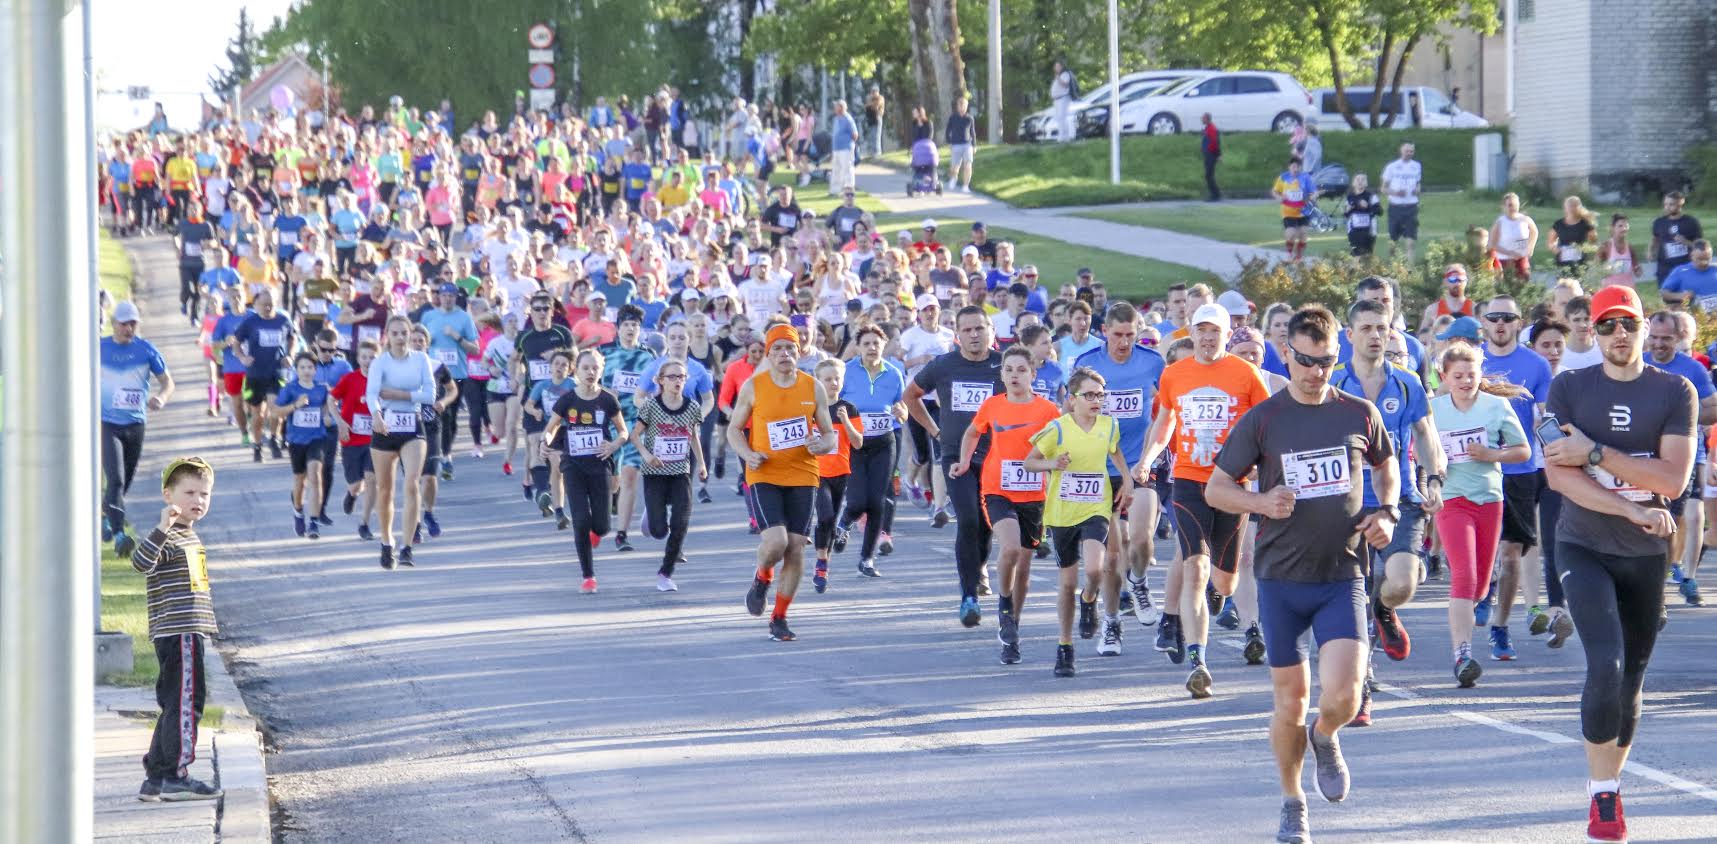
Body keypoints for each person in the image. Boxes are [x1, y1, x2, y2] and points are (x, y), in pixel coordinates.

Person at [1204, 306, 1399, 844]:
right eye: (1308, 361)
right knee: (1288, 701)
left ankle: (1326, 733)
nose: (1317, 372)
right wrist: (1261, 500)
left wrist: (1387, 512)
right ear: (1287, 354)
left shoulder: (1358, 412)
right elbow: (1217, 488)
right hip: (1281, 580)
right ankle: (1292, 803)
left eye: (1328, 361)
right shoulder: (1265, 418)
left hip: (1342, 573)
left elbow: (1387, 464)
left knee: (1345, 695)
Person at [1539, 284, 1696, 844]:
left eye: (1627, 323)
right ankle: (1602, 794)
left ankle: (1612, 779)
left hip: (1646, 556)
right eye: (1607, 325)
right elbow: (1560, 476)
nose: (1619, 335)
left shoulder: (1675, 391)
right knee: (1603, 662)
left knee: (1630, 675)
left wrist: (1598, 454)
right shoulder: (1567, 388)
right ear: (1591, 331)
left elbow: (1672, 480)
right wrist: (1631, 505)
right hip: (1581, 544)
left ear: (1643, 325)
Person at [1138, 302, 1270, 697]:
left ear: (1227, 335)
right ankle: (1198, 659)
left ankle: (1218, 594)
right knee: (1195, 567)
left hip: (1232, 483)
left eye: (1216, 331)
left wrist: (1267, 466)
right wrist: (1147, 458)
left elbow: (1267, 423)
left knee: (1225, 582)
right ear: (1191, 334)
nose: (1209, 338)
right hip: (1189, 481)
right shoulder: (1175, 374)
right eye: (1202, 330)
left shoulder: (1245, 374)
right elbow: (1165, 423)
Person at [1332, 299, 1445, 721]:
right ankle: (1361, 687)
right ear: (1350, 335)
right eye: (1366, 328)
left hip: (1400, 500)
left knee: (1400, 583)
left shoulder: (1408, 382)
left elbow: (1428, 435)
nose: (1375, 335)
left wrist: (1435, 477)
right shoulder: (1336, 383)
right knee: (1350, 596)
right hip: (1347, 502)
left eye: (1382, 328)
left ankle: (1386, 610)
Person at [1429, 344, 1531, 687]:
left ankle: (1465, 635)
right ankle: (1463, 655)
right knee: (1465, 577)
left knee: (1480, 585)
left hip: (1489, 498)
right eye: (1457, 375)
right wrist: (1430, 470)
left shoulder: (1496, 406)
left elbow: (1523, 451)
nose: (1465, 381)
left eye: (1471, 375)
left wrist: (1491, 453)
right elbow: (1417, 452)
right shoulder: (1433, 409)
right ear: (1444, 377)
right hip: (1452, 499)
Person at [731, 323, 839, 641]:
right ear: (768, 353)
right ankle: (762, 576)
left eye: (790, 348)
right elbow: (734, 429)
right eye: (777, 349)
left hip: (803, 474)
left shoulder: (812, 387)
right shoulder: (755, 386)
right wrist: (747, 454)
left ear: (798, 352)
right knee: (776, 542)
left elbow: (829, 433)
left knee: (795, 548)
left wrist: (822, 444)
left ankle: (779, 618)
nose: (784, 354)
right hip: (764, 472)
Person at [954, 346, 1061, 664]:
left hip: (1034, 495)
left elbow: (1061, 446)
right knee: (1010, 547)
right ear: (1001, 375)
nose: (1015, 375)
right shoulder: (992, 405)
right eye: (1009, 370)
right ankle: (1003, 606)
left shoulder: (1048, 411)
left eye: (1021, 370)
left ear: (1033, 374)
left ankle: (1011, 628)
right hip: (997, 489)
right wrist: (963, 462)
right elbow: (972, 432)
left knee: (1024, 567)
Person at [1073, 302, 1168, 650]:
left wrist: (1155, 447)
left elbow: (1170, 407)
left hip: (1140, 463)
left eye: (1130, 335)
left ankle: (1139, 581)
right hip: (1101, 469)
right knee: (1113, 556)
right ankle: (1111, 624)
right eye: (1117, 335)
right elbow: (1071, 411)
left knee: (1141, 539)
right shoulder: (1089, 365)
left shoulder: (1152, 362)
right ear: (1105, 333)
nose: (1124, 342)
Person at [905, 305, 1005, 626]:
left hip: (993, 455)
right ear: (957, 334)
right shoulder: (944, 365)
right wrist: (935, 431)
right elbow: (911, 396)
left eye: (980, 328)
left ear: (991, 331)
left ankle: (978, 571)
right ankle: (968, 596)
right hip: (955, 456)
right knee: (969, 518)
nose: (975, 335)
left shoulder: (1002, 366)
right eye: (968, 330)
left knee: (987, 523)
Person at [132, 457, 223, 803]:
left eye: (204, 494)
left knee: (175, 703)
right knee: (187, 704)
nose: (198, 500)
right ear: (168, 494)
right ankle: (175, 773)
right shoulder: (168, 536)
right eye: (189, 493)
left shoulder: (189, 535)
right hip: (178, 633)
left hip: (189, 632)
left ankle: (157, 775)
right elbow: (141, 564)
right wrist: (160, 527)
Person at [1478, 294, 1553, 661]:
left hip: (1519, 470)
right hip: (1474, 470)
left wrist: (1563, 453)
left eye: (1508, 317)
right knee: (1480, 553)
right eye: (1494, 317)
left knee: (1511, 556)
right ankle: (1481, 589)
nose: (1501, 323)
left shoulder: (1537, 365)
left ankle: (1500, 626)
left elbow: (1546, 417)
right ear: (1484, 323)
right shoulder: (1471, 361)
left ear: (1519, 323)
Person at [1642, 310, 1717, 607]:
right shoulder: (1638, 365)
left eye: (1667, 339)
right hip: (1648, 451)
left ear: (1679, 338)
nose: (1660, 344)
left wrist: (1684, 415)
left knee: (1694, 514)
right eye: (1655, 338)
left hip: (1690, 450)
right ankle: (1658, 581)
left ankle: (1688, 576)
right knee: (1663, 519)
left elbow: (1713, 409)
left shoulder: (1693, 369)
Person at [541, 349, 627, 593]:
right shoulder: (567, 400)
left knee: (601, 526)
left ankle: (595, 533)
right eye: (585, 368)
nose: (591, 372)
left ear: (602, 371)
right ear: (575, 371)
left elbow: (623, 431)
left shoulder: (608, 400)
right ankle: (588, 577)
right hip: (573, 465)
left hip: (600, 464)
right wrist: (544, 443)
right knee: (580, 520)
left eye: (595, 368)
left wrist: (614, 444)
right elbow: (551, 428)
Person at [101, 301, 175, 557]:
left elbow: (167, 382)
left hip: (135, 424)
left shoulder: (146, 350)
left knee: (124, 483)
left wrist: (161, 398)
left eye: (133, 323)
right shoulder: (99, 348)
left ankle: (105, 514)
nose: (128, 328)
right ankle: (120, 535)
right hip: (107, 423)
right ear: (114, 324)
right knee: (117, 478)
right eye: (124, 323)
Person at [630, 357, 707, 591]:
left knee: (681, 521)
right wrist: (646, 454)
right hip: (655, 471)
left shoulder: (692, 407)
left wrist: (702, 465)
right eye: (672, 377)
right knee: (659, 529)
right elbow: (635, 435)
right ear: (661, 381)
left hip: (680, 471)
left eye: (681, 377)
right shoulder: (651, 406)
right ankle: (651, 516)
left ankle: (665, 573)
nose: (677, 381)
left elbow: (693, 436)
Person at [365, 314, 435, 570]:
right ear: (387, 336)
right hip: (385, 427)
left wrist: (399, 394)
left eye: (403, 333)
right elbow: (371, 393)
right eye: (394, 333)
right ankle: (386, 543)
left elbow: (429, 394)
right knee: (385, 491)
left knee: (412, 483)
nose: (400, 338)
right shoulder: (380, 363)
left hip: (412, 425)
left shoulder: (421, 360)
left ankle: (407, 546)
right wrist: (376, 415)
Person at [838, 325, 907, 577]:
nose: (871, 348)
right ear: (858, 347)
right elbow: (834, 400)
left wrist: (903, 413)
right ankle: (844, 522)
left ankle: (867, 559)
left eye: (876, 343)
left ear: (883, 345)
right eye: (866, 343)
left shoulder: (893, 373)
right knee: (857, 500)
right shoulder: (846, 371)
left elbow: (900, 405)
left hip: (883, 442)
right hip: (855, 443)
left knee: (877, 501)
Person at [601, 305, 657, 550]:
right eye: (626, 325)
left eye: (635, 325)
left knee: (630, 476)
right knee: (613, 481)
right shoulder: (605, 353)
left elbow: (655, 389)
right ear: (618, 328)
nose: (630, 329)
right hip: (611, 422)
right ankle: (603, 517)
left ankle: (622, 533)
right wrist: (606, 392)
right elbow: (591, 382)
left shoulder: (648, 357)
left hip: (637, 425)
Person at [811, 359, 864, 594]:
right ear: (818, 382)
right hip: (816, 472)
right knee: (825, 515)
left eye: (837, 379)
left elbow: (858, 442)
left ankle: (825, 563)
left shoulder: (849, 408)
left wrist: (844, 421)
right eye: (828, 379)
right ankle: (821, 561)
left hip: (840, 472)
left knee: (831, 521)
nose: (833, 383)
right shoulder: (811, 408)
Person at [273, 352, 338, 540]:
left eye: (310, 367)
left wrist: (327, 416)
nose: (306, 371)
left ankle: (314, 522)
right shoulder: (291, 389)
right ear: (297, 370)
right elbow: (275, 412)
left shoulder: (322, 389)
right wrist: (295, 406)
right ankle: (298, 511)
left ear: (315, 370)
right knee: (299, 481)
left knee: (315, 475)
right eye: (302, 367)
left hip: (317, 438)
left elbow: (328, 407)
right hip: (296, 440)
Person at [230, 289, 295, 463]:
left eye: (270, 304)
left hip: (276, 372)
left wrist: (289, 354)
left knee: (275, 408)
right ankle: (257, 445)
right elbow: (235, 342)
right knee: (257, 415)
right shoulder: (250, 322)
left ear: (276, 304)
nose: (267, 308)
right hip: (255, 374)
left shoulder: (283, 320)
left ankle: (274, 438)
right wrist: (242, 357)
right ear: (256, 304)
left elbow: (292, 337)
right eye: (264, 304)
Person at [331, 340, 379, 541]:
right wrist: (340, 422)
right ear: (358, 359)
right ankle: (351, 494)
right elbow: (331, 399)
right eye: (364, 357)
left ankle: (365, 523)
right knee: (356, 484)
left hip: (374, 440)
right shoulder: (349, 379)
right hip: (351, 439)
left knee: (372, 480)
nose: (368, 361)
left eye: (372, 357)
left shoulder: (381, 381)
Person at [1650, 191, 1702, 285]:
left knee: (1686, 298)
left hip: (1686, 268)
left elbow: (1700, 247)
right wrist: (1650, 251)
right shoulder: (1659, 222)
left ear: (1680, 203)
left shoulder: (1691, 222)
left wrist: (1686, 242)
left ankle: (1685, 300)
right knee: (1667, 296)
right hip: (1665, 270)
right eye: (1665, 204)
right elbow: (1655, 239)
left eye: (1671, 204)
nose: (1667, 207)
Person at [1381, 143, 1422, 262]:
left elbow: (1418, 183)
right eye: (1407, 151)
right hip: (1395, 207)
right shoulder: (1392, 167)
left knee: (1410, 241)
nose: (1409, 153)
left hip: (1411, 207)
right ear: (1401, 151)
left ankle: (1410, 269)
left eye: (1411, 151)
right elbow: (1383, 188)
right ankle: (1393, 265)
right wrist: (1395, 193)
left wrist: (1417, 189)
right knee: (1393, 241)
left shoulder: (1417, 166)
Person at [1272, 158, 1316, 263]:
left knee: (1303, 233)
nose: (1295, 169)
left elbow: (1314, 191)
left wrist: (1313, 197)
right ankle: (1290, 253)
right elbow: (1275, 191)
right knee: (1290, 234)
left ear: (1300, 167)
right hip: (1288, 212)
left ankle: (1299, 255)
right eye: (1293, 167)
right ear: (1289, 167)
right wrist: (1278, 198)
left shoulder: (1306, 178)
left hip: (1303, 211)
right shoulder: (1283, 177)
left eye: (1297, 167)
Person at [1489, 192, 1539, 282]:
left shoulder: (1525, 219)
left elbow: (1534, 232)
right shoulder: (1500, 222)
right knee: (1506, 285)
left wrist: (1530, 247)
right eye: (1510, 205)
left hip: (1521, 258)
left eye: (1515, 205)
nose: (1513, 208)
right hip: (1504, 259)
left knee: (1524, 279)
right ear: (1504, 206)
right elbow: (1493, 244)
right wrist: (1510, 253)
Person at [1657, 239, 1717, 311]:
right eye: (1700, 259)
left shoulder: (1715, 269)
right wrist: (1681, 296)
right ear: (1692, 255)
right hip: (1695, 316)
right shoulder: (1681, 271)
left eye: (1707, 259)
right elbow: (1663, 293)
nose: (1704, 262)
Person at [1418, 264, 1476, 333]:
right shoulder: (1433, 310)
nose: (1457, 284)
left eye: (1461, 279)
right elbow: (1421, 337)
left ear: (1466, 281)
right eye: (1452, 279)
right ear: (1445, 281)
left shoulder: (1474, 309)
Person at [1549, 196, 1598, 277]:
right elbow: (1551, 242)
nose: (1572, 208)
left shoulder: (1586, 224)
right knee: (1563, 285)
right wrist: (1554, 248)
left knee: (1579, 284)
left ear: (1579, 207)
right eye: (1569, 206)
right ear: (1565, 208)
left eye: (1574, 206)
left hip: (1580, 262)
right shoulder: (1558, 224)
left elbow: (1593, 242)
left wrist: (1587, 250)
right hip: (1562, 262)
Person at [1342, 173, 1379, 257]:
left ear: (1366, 183)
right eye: (1358, 179)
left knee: (1368, 254)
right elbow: (1346, 214)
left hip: (1369, 230)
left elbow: (1379, 211)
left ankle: (1368, 269)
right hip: (1354, 229)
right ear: (1353, 183)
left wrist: (1368, 206)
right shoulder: (1350, 197)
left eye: (1363, 179)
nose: (1360, 182)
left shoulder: (1371, 196)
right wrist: (1347, 210)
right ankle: (1355, 269)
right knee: (1356, 253)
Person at [945, 96, 976, 193]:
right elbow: (948, 131)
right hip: (956, 144)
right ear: (957, 106)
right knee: (955, 166)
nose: (962, 107)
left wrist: (974, 145)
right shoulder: (953, 117)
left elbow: (972, 132)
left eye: (964, 105)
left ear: (967, 106)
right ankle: (953, 179)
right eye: (960, 105)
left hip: (967, 145)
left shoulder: (969, 118)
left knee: (968, 165)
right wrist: (949, 142)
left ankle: (965, 186)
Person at [827, 99, 858, 196]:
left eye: (836, 106)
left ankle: (849, 190)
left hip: (846, 148)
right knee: (836, 170)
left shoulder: (848, 118)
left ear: (841, 108)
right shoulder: (836, 119)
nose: (835, 108)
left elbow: (855, 134)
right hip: (836, 149)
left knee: (847, 169)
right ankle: (834, 190)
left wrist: (849, 144)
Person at [1050, 61, 1075, 142]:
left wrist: (1058, 79)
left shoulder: (1065, 74)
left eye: (1057, 66)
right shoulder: (1058, 75)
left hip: (1063, 98)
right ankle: (1061, 136)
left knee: (1062, 117)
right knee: (1059, 118)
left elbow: (1065, 84)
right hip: (1056, 100)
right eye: (1055, 66)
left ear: (1061, 67)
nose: (1056, 68)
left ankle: (1065, 137)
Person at [1200, 114, 1221, 202]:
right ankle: (1215, 194)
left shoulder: (1211, 128)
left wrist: (1218, 155)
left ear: (1207, 119)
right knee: (1209, 175)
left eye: (1203, 118)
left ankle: (1215, 194)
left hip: (1211, 155)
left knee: (1209, 175)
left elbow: (1215, 142)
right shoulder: (1208, 128)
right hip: (1208, 154)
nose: (1201, 120)